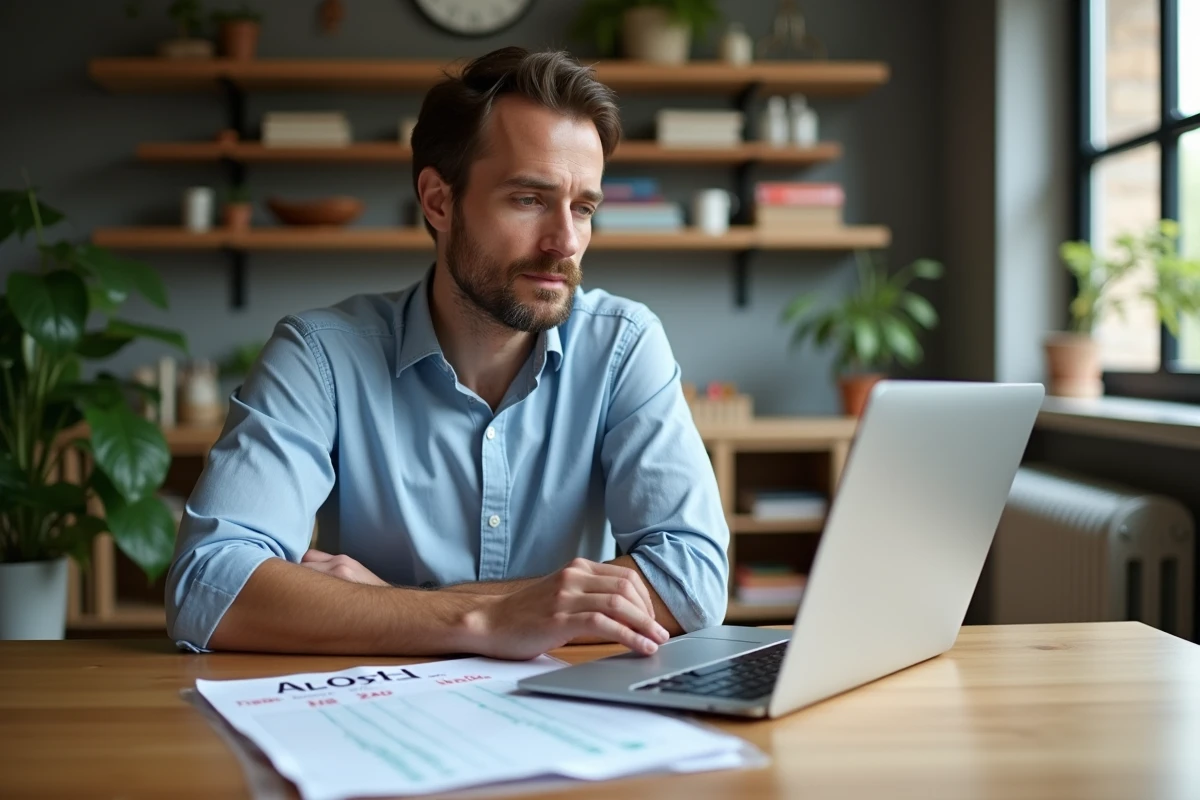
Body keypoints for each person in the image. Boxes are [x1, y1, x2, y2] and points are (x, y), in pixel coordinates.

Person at [165, 46, 730, 661]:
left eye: (583, 208)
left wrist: (400, 609)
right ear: (438, 201)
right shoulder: (320, 357)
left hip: (573, 719)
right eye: (528, 199)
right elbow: (208, 585)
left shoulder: (622, 346)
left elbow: (693, 580)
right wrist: (486, 619)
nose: (565, 241)